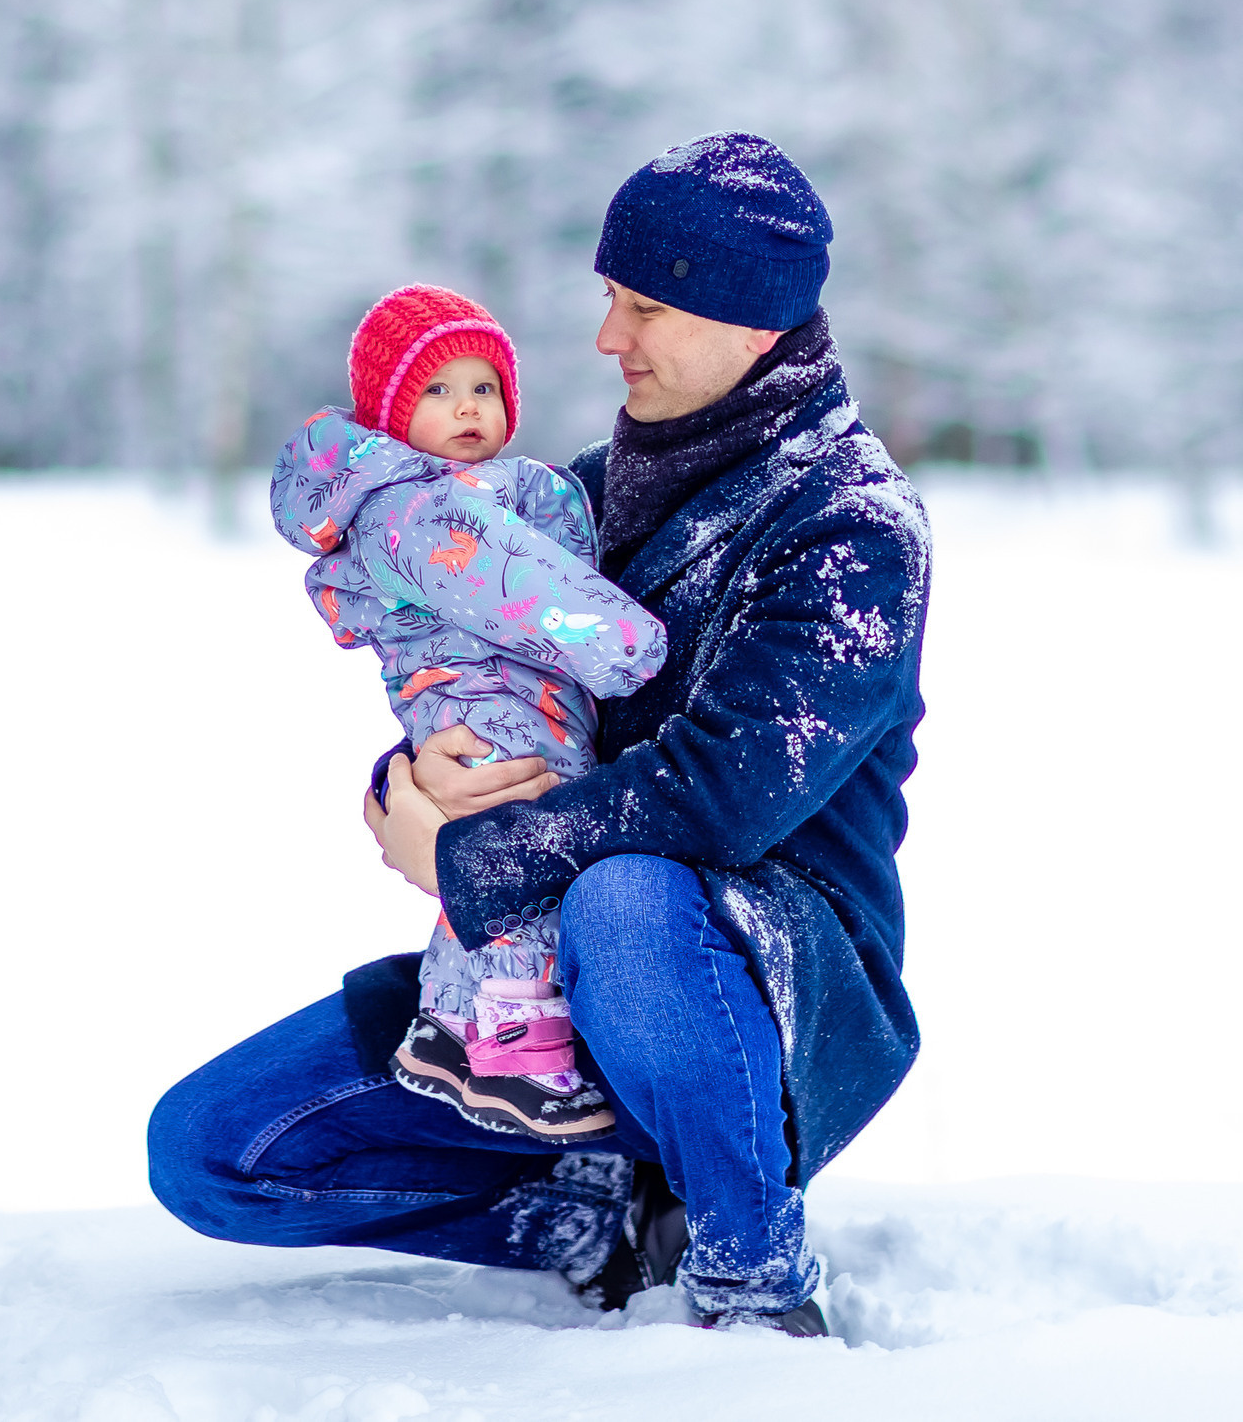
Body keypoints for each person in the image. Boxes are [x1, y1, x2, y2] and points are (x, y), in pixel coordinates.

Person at [150, 132, 930, 1339]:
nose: (607, 338)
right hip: (537, 987)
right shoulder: (569, 495)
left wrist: (468, 854)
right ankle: (605, 1220)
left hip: (748, 993)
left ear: (753, 324)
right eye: (607, 299)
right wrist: (410, 781)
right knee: (212, 1149)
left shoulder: (853, 531)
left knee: (629, 895)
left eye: (645, 305)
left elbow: (722, 796)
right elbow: (468, 656)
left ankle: (748, 1271)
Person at [268, 284, 668, 1141]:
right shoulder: (417, 507)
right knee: (522, 845)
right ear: (391, 409)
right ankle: (519, 1051)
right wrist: (626, 642)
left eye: (483, 388)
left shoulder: (481, 488)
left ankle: (453, 1023)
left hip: (508, 695)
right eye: (439, 391)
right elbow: (518, 585)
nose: (467, 408)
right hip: (490, 704)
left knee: (507, 841)